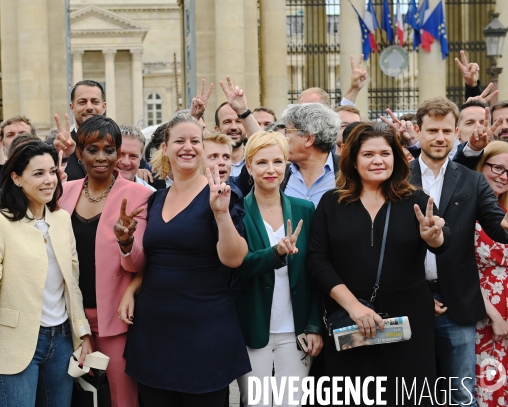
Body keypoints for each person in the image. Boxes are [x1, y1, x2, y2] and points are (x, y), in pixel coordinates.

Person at [308, 122, 451, 405]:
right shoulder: (332, 203)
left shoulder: (416, 200)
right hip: (351, 321)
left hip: (408, 325)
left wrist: (433, 236)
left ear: (396, 158)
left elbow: (444, 241)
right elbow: (317, 260)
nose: (378, 161)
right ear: (353, 159)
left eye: (385, 154)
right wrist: (354, 307)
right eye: (368, 154)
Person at [119, 114, 250, 407]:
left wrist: (221, 214)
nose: (187, 147)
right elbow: (154, 260)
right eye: (179, 140)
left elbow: (235, 258)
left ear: (203, 148)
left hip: (204, 332)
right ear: (165, 148)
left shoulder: (222, 194)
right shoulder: (156, 199)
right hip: (154, 332)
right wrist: (131, 290)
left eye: (195, 141)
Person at [0, 140, 92, 407]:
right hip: (15, 338)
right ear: (16, 178)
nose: (49, 180)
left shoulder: (62, 220)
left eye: (52, 171)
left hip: (62, 339)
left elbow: (71, 283)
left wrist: (83, 333)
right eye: (38, 174)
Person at [409, 97, 508, 405]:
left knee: (462, 396)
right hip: (408, 300)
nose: (440, 137)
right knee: (411, 393)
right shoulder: (398, 177)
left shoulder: (472, 180)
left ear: (456, 135)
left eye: (447, 131)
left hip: (457, 305)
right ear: (418, 131)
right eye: (433, 130)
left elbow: (497, 227)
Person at [60, 116, 152, 407]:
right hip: (69, 317)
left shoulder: (140, 195)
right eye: (93, 149)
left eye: (109, 149)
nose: (102, 157)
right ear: (79, 153)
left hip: (115, 317)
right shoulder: (64, 193)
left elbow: (141, 262)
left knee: (121, 397)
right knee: (76, 397)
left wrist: (126, 241)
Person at [232, 131, 322, 407]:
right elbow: (239, 266)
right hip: (253, 325)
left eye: (277, 162)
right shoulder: (238, 212)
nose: (271, 170)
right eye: (261, 163)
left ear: (286, 165)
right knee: (256, 402)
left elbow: (317, 270)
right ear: (248, 166)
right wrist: (276, 253)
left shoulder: (306, 209)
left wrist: (315, 324)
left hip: (296, 330)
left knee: (291, 402)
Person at [473, 141, 508, 406]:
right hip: (485, 312)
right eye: (498, 168)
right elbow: (462, 270)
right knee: (489, 385)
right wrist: (494, 316)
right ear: (480, 167)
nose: (504, 176)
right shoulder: (465, 210)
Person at [54, 80, 107, 181]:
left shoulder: (118, 144)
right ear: (72, 107)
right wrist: (62, 158)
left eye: (95, 102)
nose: (89, 107)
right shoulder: (57, 149)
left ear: (103, 107)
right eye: (82, 102)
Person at [117, 125, 155, 191]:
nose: (126, 162)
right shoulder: (94, 193)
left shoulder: (151, 196)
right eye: (120, 154)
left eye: (133, 156)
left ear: (140, 159)